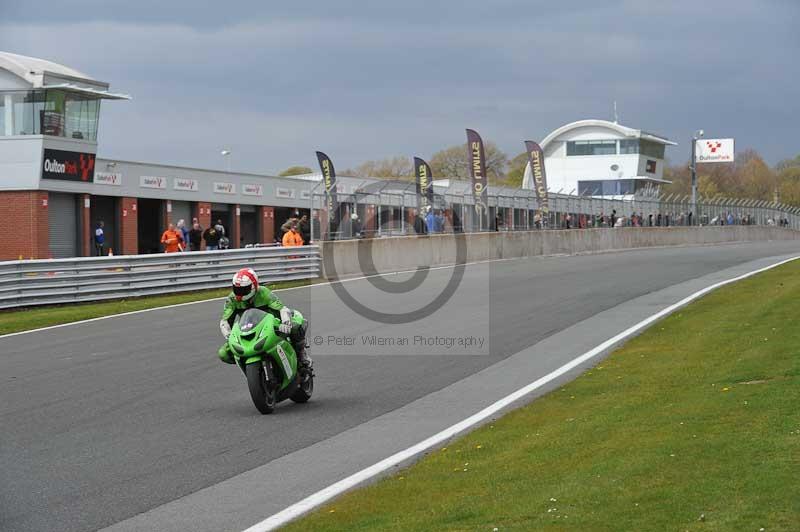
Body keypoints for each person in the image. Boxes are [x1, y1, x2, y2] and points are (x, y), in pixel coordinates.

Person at [217, 268, 312, 369]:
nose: (240, 293)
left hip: (272, 325)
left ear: (254, 286)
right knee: (223, 354)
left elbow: (282, 309)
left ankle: (302, 354)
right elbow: (225, 321)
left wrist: (286, 323)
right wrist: (228, 335)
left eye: (244, 289)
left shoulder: (263, 292)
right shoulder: (232, 299)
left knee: (296, 326)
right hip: (246, 330)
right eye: (237, 289)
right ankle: (248, 365)